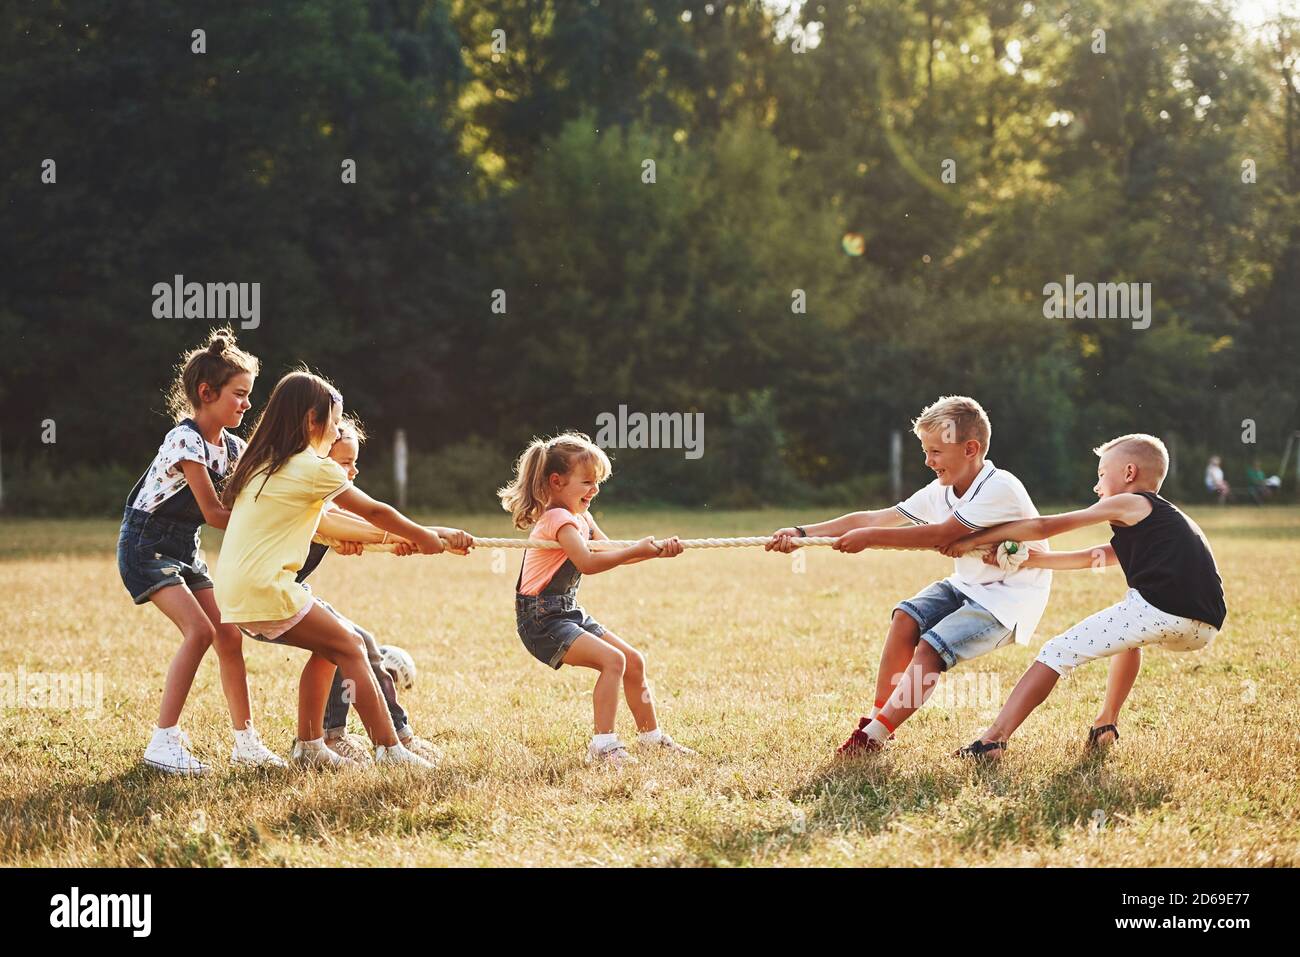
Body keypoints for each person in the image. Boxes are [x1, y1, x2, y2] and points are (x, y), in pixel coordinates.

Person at [767, 395, 1052, 756]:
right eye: (925, 450)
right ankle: (876, 720)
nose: (928, 461)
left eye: (936, 451)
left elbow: (940, 535)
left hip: (1008, 600)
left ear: (971, 448)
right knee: (905, 618)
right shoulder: (941, 490)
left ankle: (874, 737)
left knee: (931, 646)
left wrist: (870, 540)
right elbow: (874, 519)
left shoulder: (1000, 487)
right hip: (966, 585)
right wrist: (803, 533)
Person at [942, 433, 1226, 759]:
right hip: (1204, 627)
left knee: (1056, 651)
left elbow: (1048, 525)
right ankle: (1106, 724)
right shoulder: (1161, 519)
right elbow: (1094, 556)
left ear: (1129, 473)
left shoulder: (1132, 502)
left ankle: (993, 740)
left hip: (1162, 612)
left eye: (1102, 474)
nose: (1097, 486)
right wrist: (1029, 560)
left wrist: (974, 539)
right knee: (1128, 634)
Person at [213, 369, 442, 770]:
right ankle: (390, 750)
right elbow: (374, 511)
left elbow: (335, 527)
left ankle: (310, 746)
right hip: (267, 589)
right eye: (334, 423)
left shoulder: (263, 462)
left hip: (235, 592)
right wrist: (422, 535)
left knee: (329, 649)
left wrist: (415, 538)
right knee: (351, 645)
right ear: (311, 421)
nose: (338, 434)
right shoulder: (312, 466)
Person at [117, 327, 284, 774]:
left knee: (229, 634)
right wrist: (266, 521)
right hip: (146, 545)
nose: (247, 404)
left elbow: (265, 486)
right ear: (207, 393)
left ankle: (246, 743)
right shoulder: (185, 440)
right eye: (239, 394)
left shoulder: (231, 447)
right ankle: (162, 742)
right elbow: (214, 512)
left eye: (249, 395)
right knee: (201, 632)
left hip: (185, 548)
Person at [498, 432, 695, 767]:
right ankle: (603, 746)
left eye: (598, 482)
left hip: (566, 613)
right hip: (541, 621)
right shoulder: (558, 519)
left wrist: (654, 553)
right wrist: (637, 550)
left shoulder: (582, 517)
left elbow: (613, 552)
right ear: (557, 482)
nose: (595, 490)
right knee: (613, 661)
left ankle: (651, 738)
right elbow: (587, 563)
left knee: (632, 660)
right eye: (587, 481)